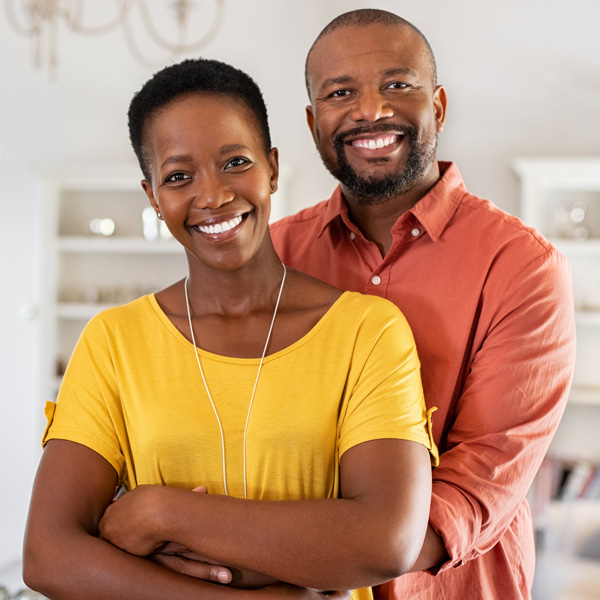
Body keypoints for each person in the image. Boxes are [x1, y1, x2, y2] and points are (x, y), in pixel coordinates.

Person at [23, 58, 438, 600]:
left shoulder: (368, 331)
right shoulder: (114, 341)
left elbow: (384, 542)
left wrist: (160, 512)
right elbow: (48, 554)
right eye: (177, 177)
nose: (213, 195)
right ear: (152, 197)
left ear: (271, 167)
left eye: (235, 162)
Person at [270, 9, 576, 600]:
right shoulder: (275, 256)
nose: (370, 110)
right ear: (313, 125)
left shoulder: (523, 267)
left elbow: (479, 481)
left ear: (437, 106)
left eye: (397, 84)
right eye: (341, 93)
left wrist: (332, 562)